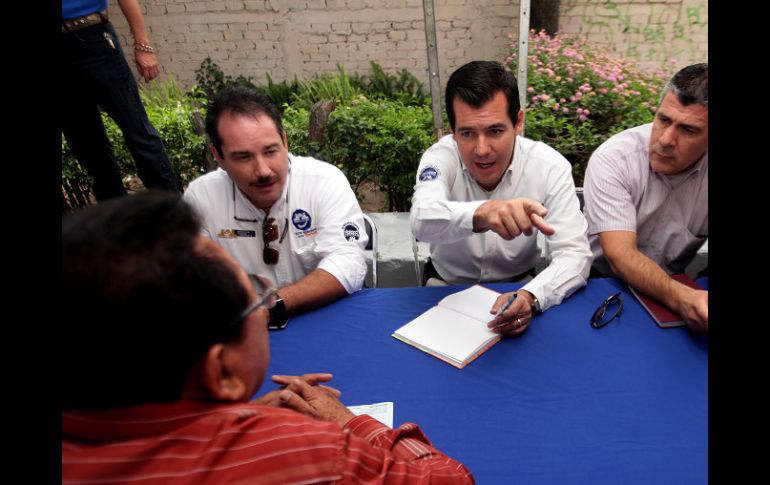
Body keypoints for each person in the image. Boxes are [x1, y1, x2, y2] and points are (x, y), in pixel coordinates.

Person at [61, 191, 474, 484]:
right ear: (222, 371)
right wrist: (350, 425)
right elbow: (450, 480)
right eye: (258, 295)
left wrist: (225, 415)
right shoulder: (310, 456)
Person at [411, 60, 592, 337]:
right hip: (444, 288)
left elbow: (574, 253)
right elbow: (422, 220)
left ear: (518, 122)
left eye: (495, 131)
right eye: (467, 133)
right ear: (452, 130)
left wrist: (532, 296)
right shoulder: (439, 157)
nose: (482, 150)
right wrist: (484, 213)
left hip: (519, 289)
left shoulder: (549, 166)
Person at [183, 87, 368, 327]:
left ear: (285, 141)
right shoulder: (201, 197)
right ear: (218, 156)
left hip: (326, 320)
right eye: (243, 157)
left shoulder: (324, 181)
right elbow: (193, 279)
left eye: (270, 151)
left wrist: (272, 304)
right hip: (242, 330)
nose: (263, 171)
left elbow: (348, 262)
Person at [582, 63, 708, 332]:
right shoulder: (615, 159)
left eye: (688, 130)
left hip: (675, 289)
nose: (666, 139)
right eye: (663, 120)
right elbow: (620, 255)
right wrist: (684, 297)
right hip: (597, 285)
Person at [60, 0, 179, 201]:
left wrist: (143, 45)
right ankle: (116, 221)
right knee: (87, 146)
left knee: (138, 132)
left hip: (93, 39)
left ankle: (171, 212)